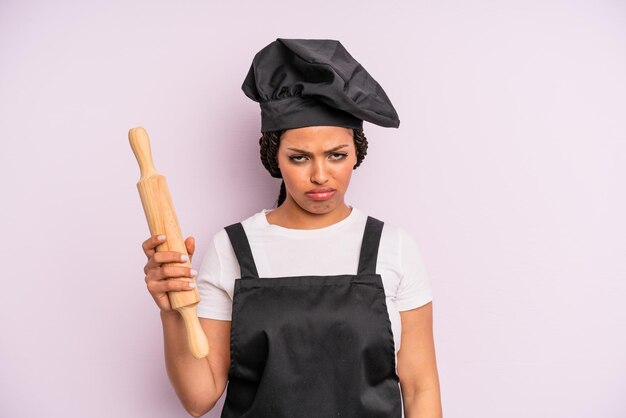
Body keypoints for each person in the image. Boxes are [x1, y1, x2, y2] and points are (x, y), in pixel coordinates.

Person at [141, 38, 442, 417]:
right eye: (299, 158)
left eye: (337, 155)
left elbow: (421, 388)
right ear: (274, 158)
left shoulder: (393, 247)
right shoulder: (234, 247)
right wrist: (171, 310)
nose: (320, 176)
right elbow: (199, 397)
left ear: (357, 153)